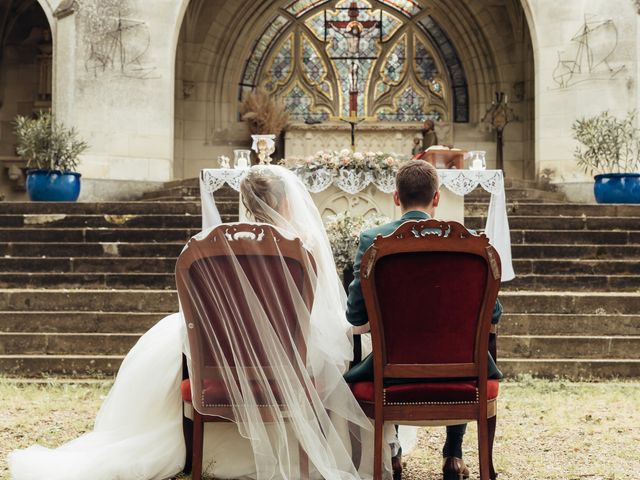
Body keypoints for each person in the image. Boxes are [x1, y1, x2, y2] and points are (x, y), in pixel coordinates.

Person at [9, 165, 392, 480]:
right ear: (286, 200)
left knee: (170, 341)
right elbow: (326, 315)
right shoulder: (303, 247)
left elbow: (204, 314)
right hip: (290, 361)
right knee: (334, 355)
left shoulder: (213, 248)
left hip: (224, 357)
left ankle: (198, 450)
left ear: (249, 202)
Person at [343, 160, 503, 480]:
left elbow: (356, 314)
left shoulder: (373, 241)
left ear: (396, 197)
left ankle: (393, 454)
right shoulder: (471, 244)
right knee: (459, 346)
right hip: (463, 375)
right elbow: (493, 314)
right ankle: (454, 455)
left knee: (389, 350)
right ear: (437, 198)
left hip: (390, 375)